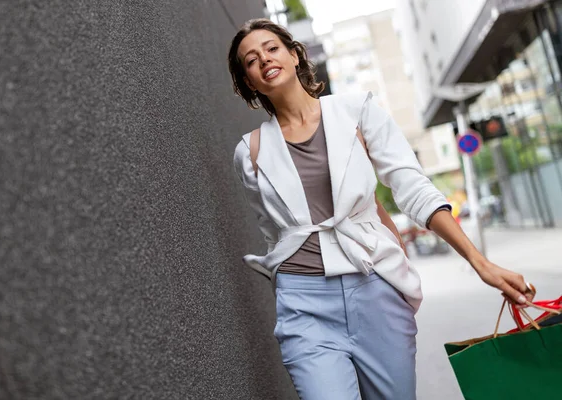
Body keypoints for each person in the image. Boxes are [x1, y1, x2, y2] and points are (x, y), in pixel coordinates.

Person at [228, 18, 533, 400]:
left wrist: (479, 261)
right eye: (251, 60)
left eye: (271, 48)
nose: (264, 59)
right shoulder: (250, 152)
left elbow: (411, 188)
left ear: (293, 54)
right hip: (303, 305)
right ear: (250, 83)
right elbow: (276, 233)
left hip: (374, 290)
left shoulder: (357, 112)